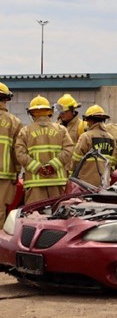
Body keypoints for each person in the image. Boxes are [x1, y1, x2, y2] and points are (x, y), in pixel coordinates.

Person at [15, 95, 74, 204]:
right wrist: (53, 166)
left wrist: (38, 168)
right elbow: (69, 150)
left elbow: (20, 154)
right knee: (57, 215)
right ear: (49, 112)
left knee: (35, 216)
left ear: (31, 113)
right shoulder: (61, 129)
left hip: (35, 183)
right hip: (57, 182)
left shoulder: (25, 131)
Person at [71, 105, 117, 187]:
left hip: (86, 183)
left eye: (88, 121)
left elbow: (76, 160)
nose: (88, 124)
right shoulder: (111, 138)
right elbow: (111, 162)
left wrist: (71, 173)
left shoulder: (86, 136)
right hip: (104, 183)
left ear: (91, 121)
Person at [0, 83, 23, 228]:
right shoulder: (14, 122)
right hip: (5, 175)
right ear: (6, 100)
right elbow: (17, 151)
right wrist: (16, 171)